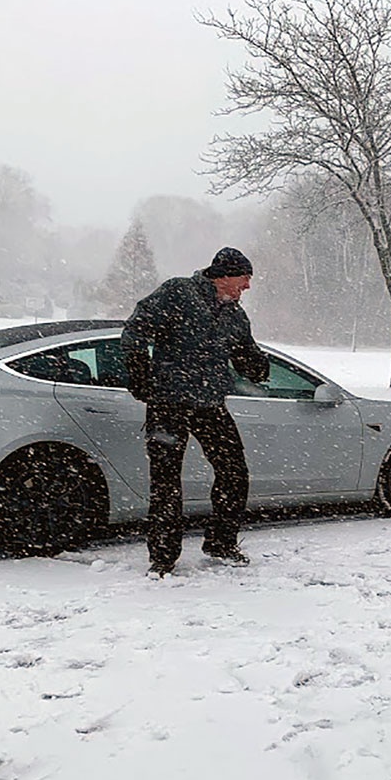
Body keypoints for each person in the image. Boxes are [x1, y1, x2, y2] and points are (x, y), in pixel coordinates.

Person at [121, 247, 270, 577]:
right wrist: (139, 370)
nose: (247, 287)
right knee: (166, 482)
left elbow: (246, 352)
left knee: (234, 472)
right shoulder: (178, 292)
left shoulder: (235, 315)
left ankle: (220, 542)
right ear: (225, 276)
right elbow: (136, 329)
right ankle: (162, 557)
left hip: (209, 404)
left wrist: (256, 365)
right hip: (168, 402)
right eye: (244, 279)